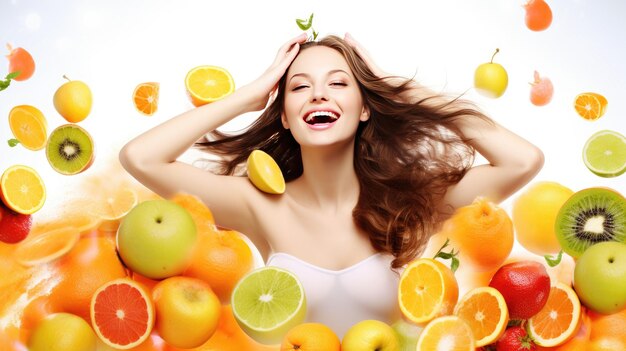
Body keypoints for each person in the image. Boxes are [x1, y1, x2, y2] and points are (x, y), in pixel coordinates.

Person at [119, 32, 544, 338]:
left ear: (363, 108)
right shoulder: (258, 203)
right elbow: (141, 157)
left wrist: (406, 92)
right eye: (299, 87)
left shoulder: (409, 201)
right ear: (284, 114)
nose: (319, 95)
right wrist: (247, 97)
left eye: (339, 84)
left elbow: (522, 161)